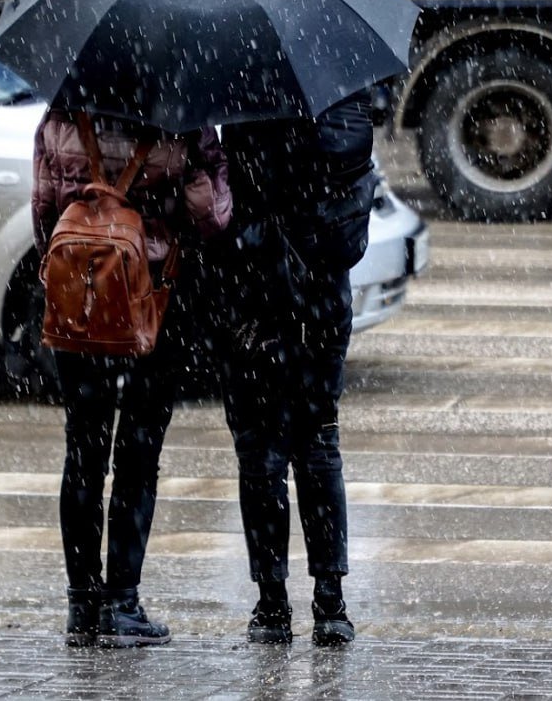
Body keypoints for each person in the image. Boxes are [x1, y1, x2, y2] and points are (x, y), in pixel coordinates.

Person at [31, 108, 231, 648]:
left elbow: (45, 212)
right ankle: (122, 602)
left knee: (83, 452)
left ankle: (82, 605)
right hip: (152, 306)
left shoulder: (62, 115)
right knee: (138, 457)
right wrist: (191, 172)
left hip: (81, 305)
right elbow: (211, 217)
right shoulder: (182, 119)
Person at [210, 90, 377, 646]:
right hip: (325, 305)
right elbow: (353, 224)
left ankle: (271, 605)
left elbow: (224, 221)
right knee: (319, 441)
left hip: (255, 305)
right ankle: (330, 602)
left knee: (260, 451)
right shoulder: (347, 109)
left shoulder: (244, 107)